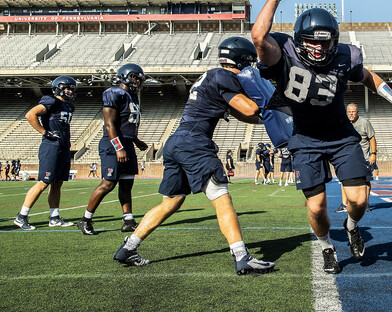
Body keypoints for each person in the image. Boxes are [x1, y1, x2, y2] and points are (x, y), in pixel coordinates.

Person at [251, 0, 392, 274]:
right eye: (311, 42)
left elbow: (368, 76)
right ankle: (326, 247)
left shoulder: (345, 56)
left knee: (358, 200)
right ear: (298, 41)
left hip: (342, 136)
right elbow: (257, 36)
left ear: (334, 41)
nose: (318, 49)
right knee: (317, 207)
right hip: (305, 138)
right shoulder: (283, 53)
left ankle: (351, 225)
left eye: (324, 42)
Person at [113, 36, 275, 275]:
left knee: (172, 201)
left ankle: (128, 248)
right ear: (242, 59)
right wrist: (271, 107)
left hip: (177, 141)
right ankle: (242, 257)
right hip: (194, 142)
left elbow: (243, 114)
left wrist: (266, 118)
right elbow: (250, 108)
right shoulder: (225, 76)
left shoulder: (210, 76)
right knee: (221, 195)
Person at [77, 63, 148, 235]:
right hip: (113, 143)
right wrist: (118, 148)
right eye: (135, 77)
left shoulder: (133, 97)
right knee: (108, 183)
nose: (137, 81)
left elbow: (127, 123)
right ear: (125, 76)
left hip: (127, 143)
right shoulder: (113, 93)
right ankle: (85, 219)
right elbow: (110, 124)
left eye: (139, 79)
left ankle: (128, 220)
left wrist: (135, 141)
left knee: (127, 183)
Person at [13, 76, 77, 230]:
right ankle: (21, 217)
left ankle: (54, 217)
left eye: (71, 89)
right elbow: (30, 115)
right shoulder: (51, 101)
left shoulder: (69, 106)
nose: (69, 91)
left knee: (57, 183)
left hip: (63, 147)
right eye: (67, 88)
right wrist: (45, 132)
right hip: (51, 147)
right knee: (43, 182)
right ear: (58, 88)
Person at [336, 104, 377, 213]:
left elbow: (372, 138)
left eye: (353, 111)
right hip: (347, 157)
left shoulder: (364, 123)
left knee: (366, 181)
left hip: (363, 157)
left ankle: (366, 203)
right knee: (344, 180)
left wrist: (373, 153)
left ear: (357, 112)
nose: (351, 114)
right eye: (349, 112)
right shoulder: (342, 123)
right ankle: (344, 204)